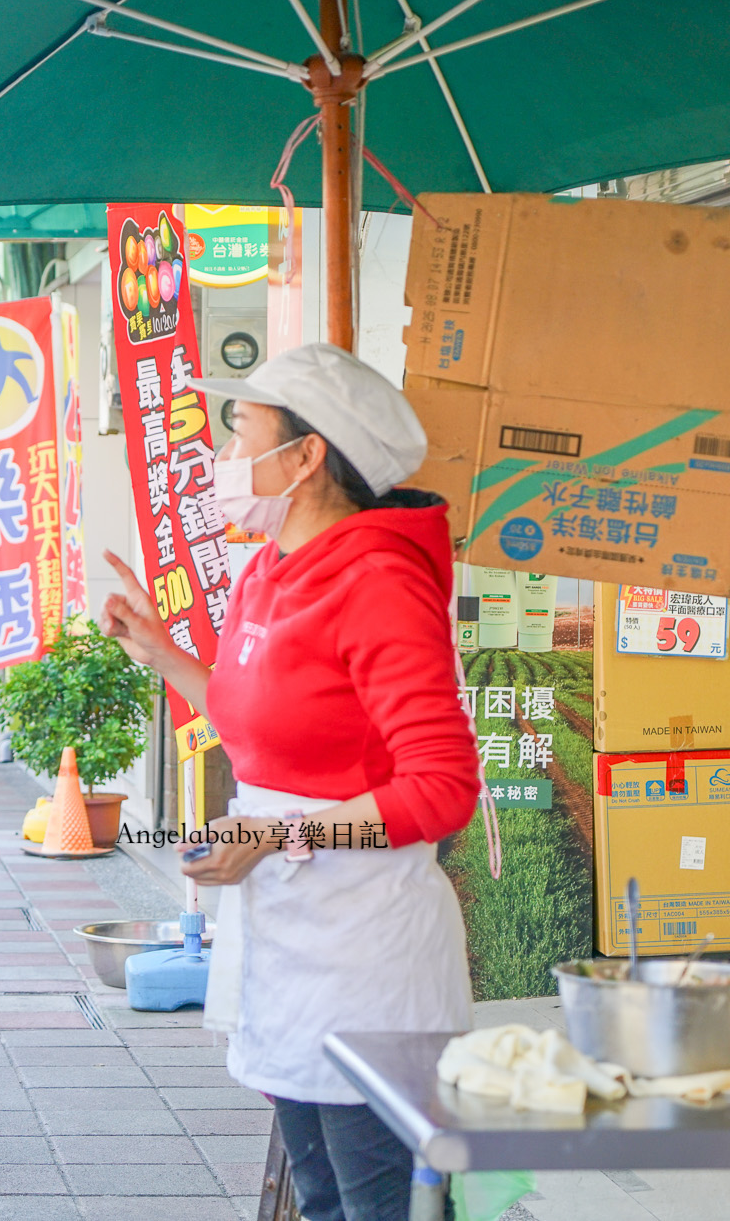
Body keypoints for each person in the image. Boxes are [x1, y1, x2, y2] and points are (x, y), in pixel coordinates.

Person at [100, 343, 479, 1221]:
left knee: (382, 1205)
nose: (226, 461)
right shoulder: (270, 570)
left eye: (241, 436)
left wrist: (277, 834)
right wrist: (162, 654)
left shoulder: (379, 580)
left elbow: (441, 789)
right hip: (286, 934)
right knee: (319, 1196)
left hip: (369, 952)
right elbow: (261, 727)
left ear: (306, 457)